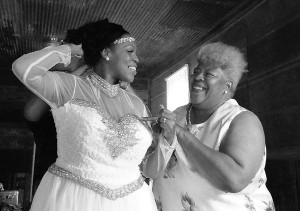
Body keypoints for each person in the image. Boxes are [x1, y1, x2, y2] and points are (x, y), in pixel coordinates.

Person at [12, 18, 157, 211]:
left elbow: (148, 157)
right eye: (130, 51)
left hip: (133, 202)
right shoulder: (70, 87)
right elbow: (23, 69)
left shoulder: (137, 104)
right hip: (72, 199)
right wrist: (70, 49)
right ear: (106, 52)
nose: (137, 58)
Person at [142, 42, 275, 211]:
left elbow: (234, 179)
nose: (198, 77)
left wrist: (179, 133)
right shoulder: (178, 113)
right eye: (196, 72)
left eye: (209, 74)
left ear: (227, 85)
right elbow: (154, 161)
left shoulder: (242, 120)